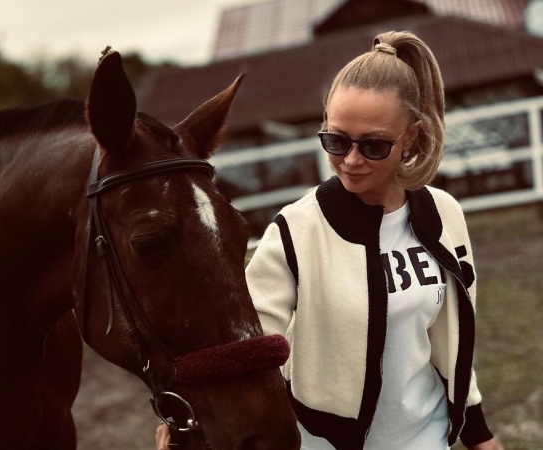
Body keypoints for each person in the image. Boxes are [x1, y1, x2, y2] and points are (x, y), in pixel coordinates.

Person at [156, 31, 504, 450]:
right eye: (336, 140)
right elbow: (243, 345)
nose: (351, 161)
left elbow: (453, 342)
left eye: (374, 145)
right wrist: (185, 424)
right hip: (322, 442)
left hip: (426, 438)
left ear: (411, 136)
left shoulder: (444, 215)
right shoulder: (295, 230)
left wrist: (478, 432)